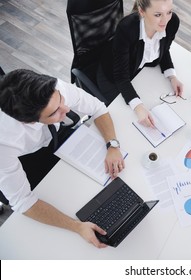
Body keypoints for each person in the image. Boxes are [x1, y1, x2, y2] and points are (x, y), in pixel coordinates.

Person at [0, 69, 125, 248]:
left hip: (57, 137)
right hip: (26, 159)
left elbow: (97, 108)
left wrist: (112, 145)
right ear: (28, 121)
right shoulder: (4, 143)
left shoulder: (52, 89)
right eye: (54, 112)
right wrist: (76, 227)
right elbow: (23, 201)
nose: (67, 110)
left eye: (61, 100)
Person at [99, 0, 184, 127]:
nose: (165, 20)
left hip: (138, 74)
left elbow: (164, 49)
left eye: (169, 12)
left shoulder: (172, 23)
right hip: (113, 78)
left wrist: (172, 76)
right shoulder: (127, 29)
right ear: (142, 11)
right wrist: (138, 107)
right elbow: (121, 76)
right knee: (125, 123)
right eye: (158, 15)